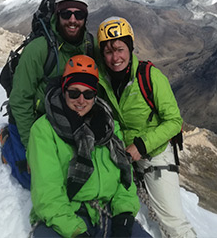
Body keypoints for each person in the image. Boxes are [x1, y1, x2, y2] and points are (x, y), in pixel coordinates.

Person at [27, 55, 149, 237]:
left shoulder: (109, 126)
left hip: (108, 212)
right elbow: (48, 193)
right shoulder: (45, 130)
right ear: (64, 90)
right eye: (74, 93)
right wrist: (75, 231)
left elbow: (126, 178)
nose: (81, 100)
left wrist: (123, 214)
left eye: (89, 93)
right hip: (66, 215)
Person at [96, 17, 196, 238]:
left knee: (173, 224)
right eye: (109, 52)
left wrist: (140, 146)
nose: (115, 58)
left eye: (120, 49)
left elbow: (174, 121)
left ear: (131, 48)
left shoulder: (150, 77)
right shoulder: (101, 81)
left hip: (154, 154)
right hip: (121, 154)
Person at [4, 0, 95, 189]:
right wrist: (30, 149)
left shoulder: (89, 46)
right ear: (57, 14)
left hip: (67, 119)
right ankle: (8, 142)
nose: (72, 20)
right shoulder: (38, 50)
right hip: (36, 120)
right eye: (66, 13)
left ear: (85, 17)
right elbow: (20, 99)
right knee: (34, 180)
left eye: (78, 14)